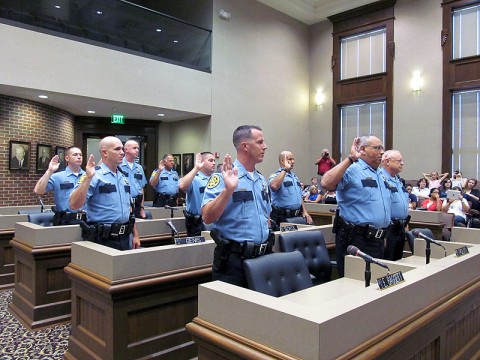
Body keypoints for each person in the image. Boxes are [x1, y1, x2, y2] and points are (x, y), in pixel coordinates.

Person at [202, 125, 272, 287]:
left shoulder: (261, 180)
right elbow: (207, 216)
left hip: (262, 257)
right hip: (234, 261)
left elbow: (266, 214)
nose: (265, 146)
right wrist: (228, 191)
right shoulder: (222, 178)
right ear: (245, 146)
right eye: (260, 142)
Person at [321, 135, 391, 277]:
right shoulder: (353, 169)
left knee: (374, 283)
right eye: (377, 148)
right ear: (363, 150)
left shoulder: (380, 174)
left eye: (382, 148)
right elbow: (326, 183)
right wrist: (350, 159)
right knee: (356, 284)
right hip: (357, 239)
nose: (382, 152)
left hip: (377, 240)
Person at [69, 136, 140, 251]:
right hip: (102, 238)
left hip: (125, 237)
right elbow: (74, 205)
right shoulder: (93, 175)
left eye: (122, 149)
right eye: (117, 149)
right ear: (104, 153)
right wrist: (88, 178)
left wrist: (135, 235)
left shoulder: (123, 177)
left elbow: (129, 210)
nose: (122, 152)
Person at [34, 146, 86, 225]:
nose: (79, 157)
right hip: (65, 220)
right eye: (75, 155)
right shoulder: (57, 177)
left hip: (86, 220)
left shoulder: (88, 176)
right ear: (67, 158)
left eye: (80, 155)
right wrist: (49, 171)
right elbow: (38, 190)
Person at [269, 151, 313, 228]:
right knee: (284, 239)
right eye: (290, 159)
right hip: (282, 216)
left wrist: (305, 212)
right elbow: (274, 186)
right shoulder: (275, 175)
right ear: (282, 161)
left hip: (296, 216)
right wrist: (285, 169)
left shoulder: (295, 177)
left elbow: (299, 196)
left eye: (293, 159)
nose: (293, 161)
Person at [380, 150, 410, 261]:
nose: (402, 163)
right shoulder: (380, 178)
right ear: (387, 162)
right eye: (399, 161)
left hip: (400, 227)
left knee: (398, 261)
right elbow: (382, 206)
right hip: (389, 229)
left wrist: (406, 225)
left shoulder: (398, 179)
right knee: (388, 261)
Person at [178, 152, 216, 236]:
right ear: (201, 162)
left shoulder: (216, 179)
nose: (214, 163)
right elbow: (182, 185)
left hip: (215, 222)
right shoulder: (194, 179)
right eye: (210, 160)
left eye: (214, 160)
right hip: (197, 224)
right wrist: (196, 168)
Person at [119, 139, 147, 219]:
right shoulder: (119, 165)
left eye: (138, 148)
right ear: (126, 149)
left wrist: (142, 208)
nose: (137, 150)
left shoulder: (139, 168)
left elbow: (141, 188)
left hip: (137, 204)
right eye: (134, 148)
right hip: (124, 204)